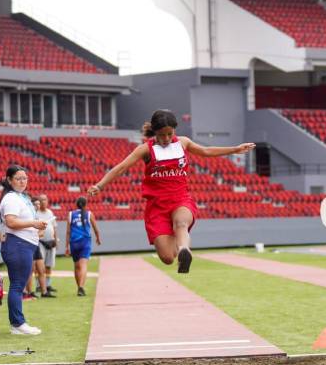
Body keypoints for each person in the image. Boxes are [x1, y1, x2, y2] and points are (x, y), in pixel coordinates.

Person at [87, 109, 254, 273]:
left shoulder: (183, 142)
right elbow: (121, 167)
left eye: (170, 134)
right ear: (155, 132)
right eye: (162, 135)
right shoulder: (146, 149)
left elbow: (206, 151)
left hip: (181, 199)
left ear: (174, 130)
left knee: (181, 223)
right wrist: (99, 186)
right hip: (157, 207)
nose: (166, 139)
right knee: (167, 257)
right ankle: (178, 248)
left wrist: (235, 149)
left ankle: (184, 250)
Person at [0, 165, 47, 335]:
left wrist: (36, 228)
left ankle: (17, 323)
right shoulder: (11, 198)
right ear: (9, 180)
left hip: (23, 244)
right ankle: (18, 324)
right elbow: (11, 222)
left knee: (18, 285)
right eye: (18, 178)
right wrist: (34, 224)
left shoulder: (21, 197)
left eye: (24, 178)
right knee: (18, 285)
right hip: (18, 245)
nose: (22, 181)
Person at [66, 196, 101, 297]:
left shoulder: (70, 214)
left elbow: (68, 232)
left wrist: (67, 246)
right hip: (85, 242)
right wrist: (98, 238)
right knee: (83, 265)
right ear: (86, 205)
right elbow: (95, 228)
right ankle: (81, 287)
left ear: (76, 204)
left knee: (77, 266)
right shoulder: (89, 214)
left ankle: (79, 287)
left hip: (74, 242)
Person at [35, 194, 58, 294]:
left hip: (51, 241)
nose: (43, 202)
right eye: (41, 200)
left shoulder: (50, 212)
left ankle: (48, 284)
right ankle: (38, 285)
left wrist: (56, 240)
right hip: (41, 242)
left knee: (49, 264)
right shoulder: (36, 213)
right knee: (40, 265)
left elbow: (54, 227)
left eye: (45, 200)